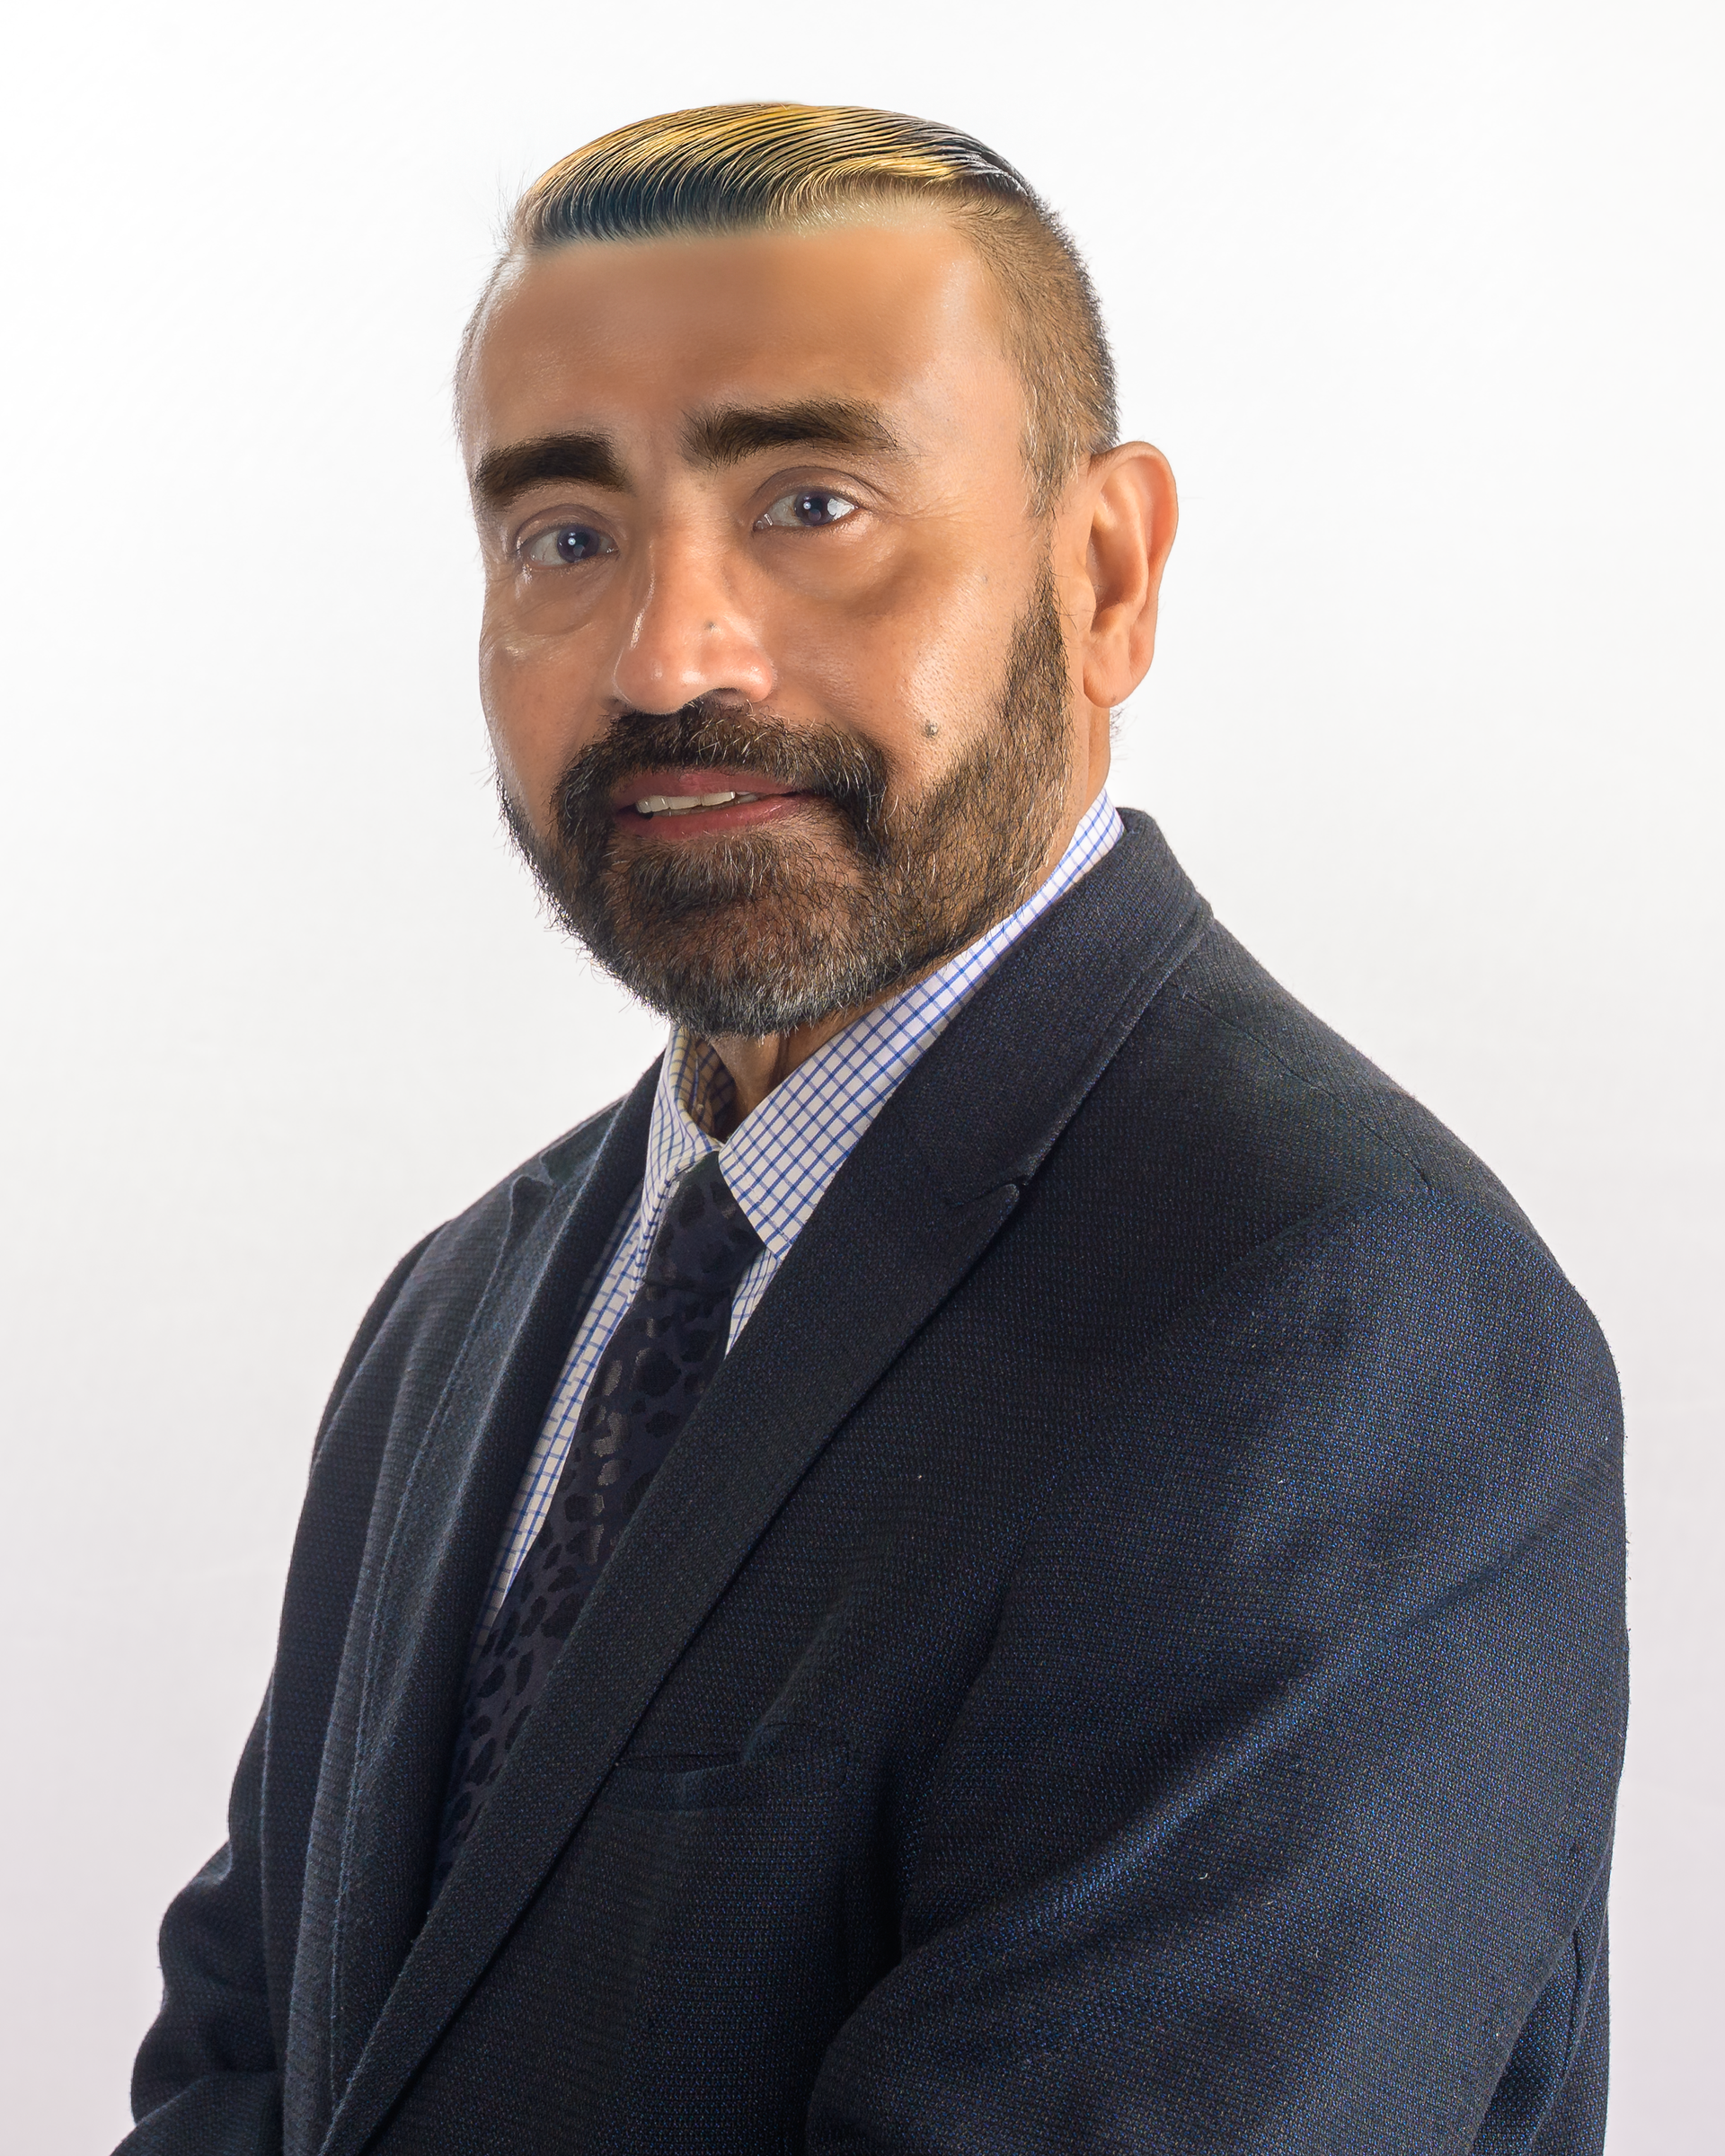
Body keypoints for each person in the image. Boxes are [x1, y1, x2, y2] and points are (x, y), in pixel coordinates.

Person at [120, 104, 1626, 2156]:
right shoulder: (459, 1317)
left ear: (1103, 578)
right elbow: (248, 2072)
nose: (669, 657)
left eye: (813, 501)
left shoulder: (1340, 1323)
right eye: (565, 537)